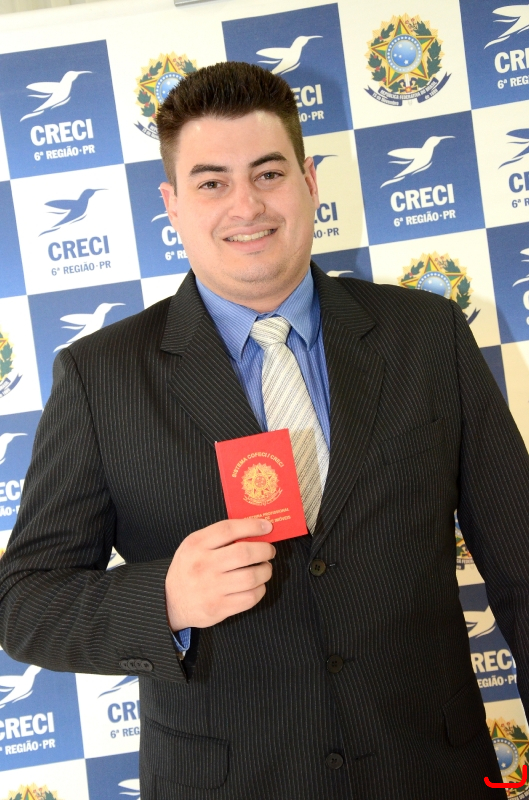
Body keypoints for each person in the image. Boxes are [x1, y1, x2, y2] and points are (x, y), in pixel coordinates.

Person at [0, 61, 526, 800]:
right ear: (172, 204)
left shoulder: (425, 334)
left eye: (269, 173)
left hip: (430, 772)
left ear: (309, 181)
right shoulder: (100, 377)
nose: (245, 205)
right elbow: (25, 604)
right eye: (211, 182)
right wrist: (166, 600)